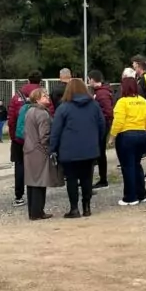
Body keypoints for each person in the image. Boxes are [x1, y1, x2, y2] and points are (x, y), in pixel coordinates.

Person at [50, 79, 106, 218]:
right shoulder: (94, 105)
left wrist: (53, 148)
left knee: (72, 179)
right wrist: (97, 141)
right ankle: (87, 207)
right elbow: (102, 125)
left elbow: (56, 130)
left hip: (69, 150)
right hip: (90, 149)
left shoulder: (63, 107)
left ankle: (74, 209)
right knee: (87, 178)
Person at [8, 71, 53, 208]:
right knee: (38, 166)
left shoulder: (17, 96)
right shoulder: (43, 96)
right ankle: (37, 197)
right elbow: (51, 114)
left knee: (20, 166)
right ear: (40, 81)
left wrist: (14, 136)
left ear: (27, 80)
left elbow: (11, 118)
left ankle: (19, 196)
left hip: (20, 138)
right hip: (37, 139)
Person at [110, 73, 146, 207]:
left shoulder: (122, 102)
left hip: (126, 136)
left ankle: (130, 197)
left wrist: (112, 136)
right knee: (137, 164)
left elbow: (118, 121)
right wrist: (145, 129)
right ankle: (142, 194)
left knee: (127, 167)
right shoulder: (144, 102)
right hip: (142, 134)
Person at [23, 88, 62, 220]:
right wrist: (49, 150)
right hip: (40, 151)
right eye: (44, 96)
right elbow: (44, 136)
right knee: (40, 181)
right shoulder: (42, 114)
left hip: (29, 150)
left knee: (32, 182)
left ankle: (32, 211)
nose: (47, 97)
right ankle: (38, 212)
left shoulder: (29, 111)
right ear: (37, 99)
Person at [88, 70, 114, 189]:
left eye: (89, 79)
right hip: (101, 125)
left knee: (100, 153)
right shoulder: (100, 91)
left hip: (101, 126)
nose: (88, 82)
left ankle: (103, 179)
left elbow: (108, 111)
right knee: (99, 153)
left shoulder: (101, 94)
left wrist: (100, 119)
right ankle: (99, 178)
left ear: (93, 80)